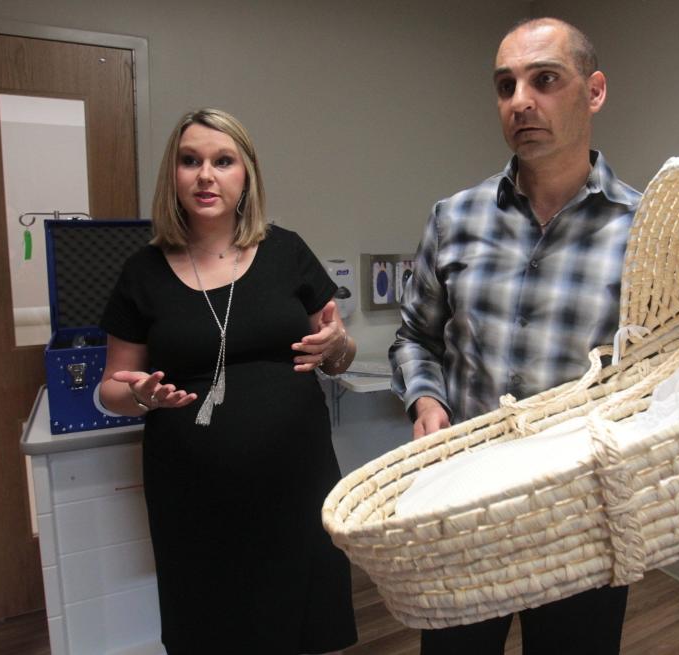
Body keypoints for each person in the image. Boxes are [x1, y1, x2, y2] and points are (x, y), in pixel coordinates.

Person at [389, 17, 641, 655]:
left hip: (582, 523)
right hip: (466, 512)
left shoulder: (645, 232)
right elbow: (414, 337)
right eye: (506, 86)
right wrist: (427, 401)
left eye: (545, 79)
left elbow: (661, 376)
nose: (520, 101)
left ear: (595, 92)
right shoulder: (455, 219)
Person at [99, 108, 357, 655]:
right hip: (193, 496)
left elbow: (337, 351)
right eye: (190, 161)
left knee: (303, 623)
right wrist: (140, 395)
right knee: (211, 628)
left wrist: (340, 348)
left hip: (296, 483)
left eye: (223, 161)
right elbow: (110, 390)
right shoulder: (142, 273)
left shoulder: (287, 251)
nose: (205, 176)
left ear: (247, 174)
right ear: (173, 174)